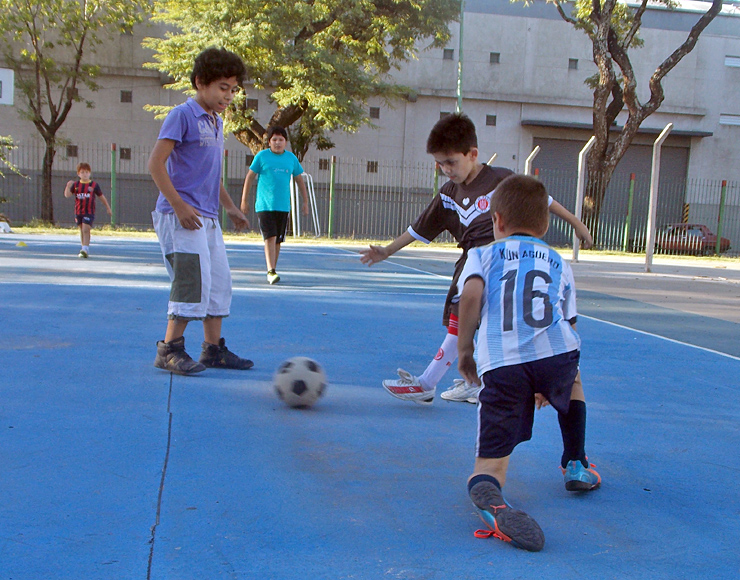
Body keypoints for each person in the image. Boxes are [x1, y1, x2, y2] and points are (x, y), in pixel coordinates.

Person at [360, 113, 592, 405]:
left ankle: (434, 382)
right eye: (440, 163)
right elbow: (419, 227)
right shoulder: (449, 194)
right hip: (472, 262)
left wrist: (577, 224)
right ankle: (466, 380)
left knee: (472, 321)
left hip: (503, 262)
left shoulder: (501, 180)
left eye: (451, 162)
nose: (446, 169)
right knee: (467, 322)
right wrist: (388, 251)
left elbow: (544, 201)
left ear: (473, 154)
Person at [457, 174, 600, 552]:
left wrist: (464, 350)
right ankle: (576, 462)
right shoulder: (557, 260)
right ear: (547, 224)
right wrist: (548, 379)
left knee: (490, 465)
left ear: (497, 220)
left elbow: (471, 294)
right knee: (574, 382)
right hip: (557, 353)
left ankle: (492, 496)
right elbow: (568, 320)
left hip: (502, 364)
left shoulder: (483, 254)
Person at [148, 47, 254, 376]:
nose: (229, 95)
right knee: (191, 281)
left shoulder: (216, 122)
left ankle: (213, 350)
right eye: (223, 87)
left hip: (207, 218)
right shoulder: (182, 115)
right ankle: (170, 349)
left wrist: (231, 208)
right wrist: (179, 205)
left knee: (219, 284)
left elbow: (211, 176)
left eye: (233, 89)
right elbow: (155, 164)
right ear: (200, 83)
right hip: (180, 216)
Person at [240, 126, 309, 285]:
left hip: (283, 206)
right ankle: (270, 270)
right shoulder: (262, 156)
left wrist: (305, 202)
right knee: (269, 237)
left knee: (278, 240)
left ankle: (273, 269)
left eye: (281, 140)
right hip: (265, 205)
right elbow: (250, 178)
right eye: (274, 140)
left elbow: (299, 181)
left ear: (285, 142)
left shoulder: (291, 159)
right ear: (269, 142)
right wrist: (244, 200)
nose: (277, 143)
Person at [64, 162, 112, 258]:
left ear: (89, 173)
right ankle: (83, 248)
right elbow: (67, 195)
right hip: (78, 212)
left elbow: (101, 197)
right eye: (82, 172)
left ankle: (85, 248)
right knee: (82, 229)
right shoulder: (76, 185)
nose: (85, 174)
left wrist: (108, 207)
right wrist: (68, 186)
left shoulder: (94, 185)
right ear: (78, 174)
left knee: (86, 229)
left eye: (86, 172)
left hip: (89, 211)